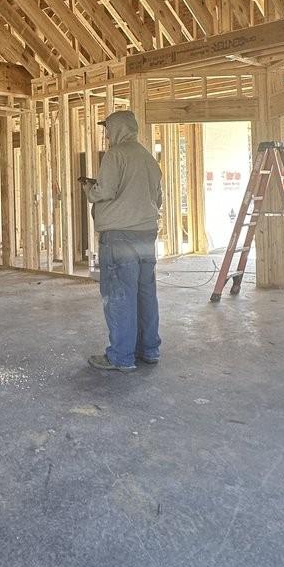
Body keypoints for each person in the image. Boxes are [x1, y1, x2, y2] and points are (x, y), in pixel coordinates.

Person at [79, 110, 163, 372]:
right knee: (145, 293)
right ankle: (149, 350)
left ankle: (121, 356)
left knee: (119, 294)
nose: (106, 134)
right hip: (147, 234)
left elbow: (105, 191)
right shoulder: (148, 158)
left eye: (108, 129)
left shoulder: (116, 155)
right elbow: (156, 198)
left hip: (120, 236)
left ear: (118, 129)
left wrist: (89, 190)